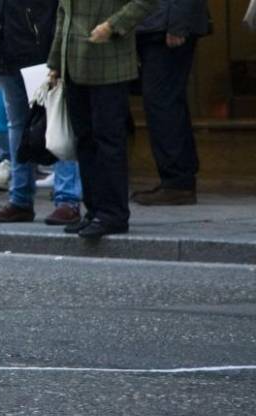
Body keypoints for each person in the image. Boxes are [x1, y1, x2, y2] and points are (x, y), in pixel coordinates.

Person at [48, 0, 156, 238]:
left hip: (110, 64)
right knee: (84, 141)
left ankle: (113, 214)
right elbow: (63, 13)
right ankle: (94, 210)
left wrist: (113, 25)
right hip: (74, 65)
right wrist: (55, 62)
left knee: (108, 140)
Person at [0, 0, 84, 227]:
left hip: (39, 48)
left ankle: (67, 199)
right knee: (19, 126)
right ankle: (21, 199)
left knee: (57, 123)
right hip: (10, 47)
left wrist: (56, 55)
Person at [132, 0, 209, 206]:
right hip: (157, 24)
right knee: (165, 102)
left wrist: (177, 23)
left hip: (165, 25)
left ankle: (177, 183)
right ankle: (177, 180)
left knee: (163, 103)